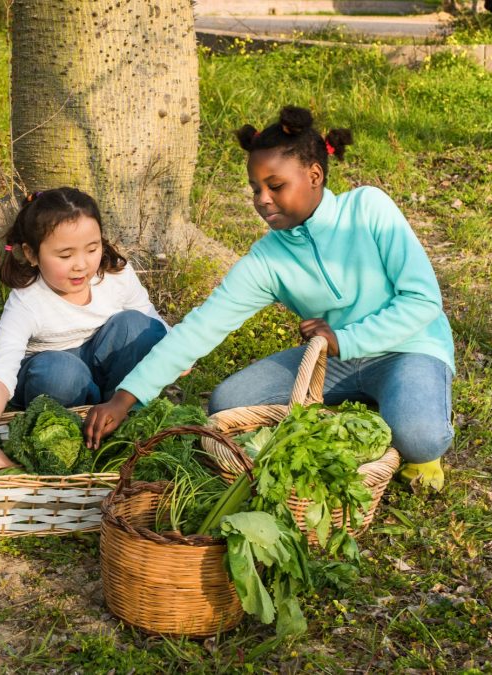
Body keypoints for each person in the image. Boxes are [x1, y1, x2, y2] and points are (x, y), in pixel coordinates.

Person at [84, 106, 456, 492]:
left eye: (275, 186)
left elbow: (423, 300)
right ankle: (367, 406)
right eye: (255, 189)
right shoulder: (268, 258)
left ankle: (406, 406)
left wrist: (346, 339)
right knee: (229, 403)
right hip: (331, 359)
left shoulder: (368, 209)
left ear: (314, 175)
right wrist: (125, 398)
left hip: (410, 347)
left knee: (419, 438)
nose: (262, 199)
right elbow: (201, 327)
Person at [0, 187, 168, 476]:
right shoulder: (26, 300)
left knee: (139, 327)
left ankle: (121, 420)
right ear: (31, 254)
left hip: (105, 368)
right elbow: (0, 371)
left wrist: (174, 349)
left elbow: (151, 319)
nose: (81, 265)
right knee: (61, 372)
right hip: (53, 380)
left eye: (92, 249)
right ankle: (71, 438)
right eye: (65, 255)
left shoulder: (116, 276)